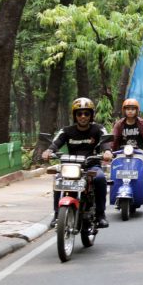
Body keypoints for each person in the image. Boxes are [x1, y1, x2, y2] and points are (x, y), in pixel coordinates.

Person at [42, 98, 112, 228]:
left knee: (101, 178)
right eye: (79, 113)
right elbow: (56, 142)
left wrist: (107, 151)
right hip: (70, 166)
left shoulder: (98, 129)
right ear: (75, 115)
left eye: (86, 113)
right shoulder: (67, 130)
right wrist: (49, 151)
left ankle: (100, 214)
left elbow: (105, 141)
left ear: (91, 115)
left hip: (91, 165)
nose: (83, 116)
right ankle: (57, 215)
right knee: (58, 179)